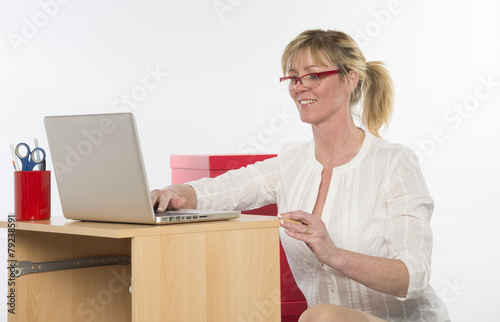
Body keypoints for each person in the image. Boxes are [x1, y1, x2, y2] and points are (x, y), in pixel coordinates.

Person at [151, 29, 450, 321]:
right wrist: (173, 192)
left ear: (350, 80)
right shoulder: (291, 161)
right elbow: (221, 190)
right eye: (293, 77)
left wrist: (334, 254)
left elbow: (414, 276)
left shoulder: (395, 163)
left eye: (313, 75)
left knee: (320, 317)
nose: (298, 86)